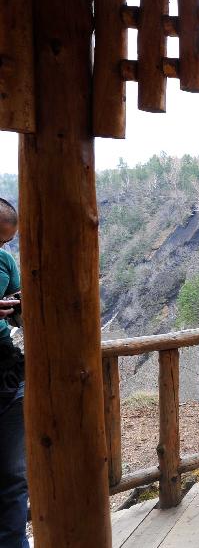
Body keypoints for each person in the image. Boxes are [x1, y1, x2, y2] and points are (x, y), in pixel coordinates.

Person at [0, 197, 25, 548]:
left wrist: (21, 303)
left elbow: (19, 313)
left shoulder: (5, 261)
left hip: (5, 372)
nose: (2, 247)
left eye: (5, 241)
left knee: (13, 477)